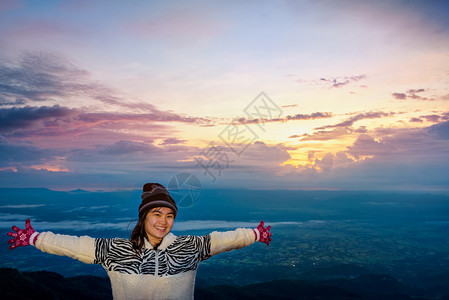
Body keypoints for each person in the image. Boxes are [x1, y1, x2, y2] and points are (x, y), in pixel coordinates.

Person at [7, 183, 272, 300]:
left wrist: (255, 234)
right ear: (143, 217)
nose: (163, 221)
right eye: (156, 214)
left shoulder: (190, 247)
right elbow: (73, 245)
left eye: (169, 215)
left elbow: (225, 240)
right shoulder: (115, 251)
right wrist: (34, 238)